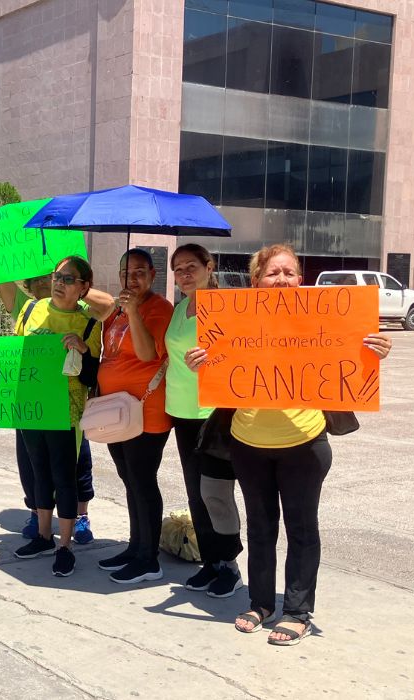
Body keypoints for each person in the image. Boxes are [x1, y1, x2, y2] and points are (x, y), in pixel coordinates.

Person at [186, 244, 393, 646]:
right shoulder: (232, 323)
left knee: (301, 529)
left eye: (289, 272)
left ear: (301, 279)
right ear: (256, 279)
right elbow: (218, 375)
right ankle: (260, 602)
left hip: (304, 444)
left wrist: (378, 351)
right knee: (261, 528)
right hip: (247, 444)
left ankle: (298, 610)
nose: (281, 279)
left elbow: (352, 360)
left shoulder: (327, 322)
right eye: (272, 272)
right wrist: (200, 363)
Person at [0, 257, 102, 576]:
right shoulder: (30, 310)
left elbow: (94, 377)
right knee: (38, 472)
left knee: (64, 477)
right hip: (29, 406)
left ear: (84, 288)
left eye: (69, 279)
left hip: (65, 412)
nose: (59, 282)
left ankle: (65, 546)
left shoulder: (89, 324)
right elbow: (8, 355)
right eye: (57, 276)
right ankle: (44, 536)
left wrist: (83, 350)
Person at [164, 244, 243, 598]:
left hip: (214, 412)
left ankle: (230, 565)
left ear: (209, 267)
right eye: (178, 269)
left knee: (217, 494)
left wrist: (215, 360)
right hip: (182, 410)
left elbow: (242, 352)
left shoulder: (226, 307)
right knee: (196, 492)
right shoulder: (180, 308)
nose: (184, 274)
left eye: (191, 266)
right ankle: (210, 562)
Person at [96, 248, 174, 585]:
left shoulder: (159, 309)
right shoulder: (116, 310)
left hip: (146, 410)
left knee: (143, 480)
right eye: (127, 271)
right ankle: (134, 546)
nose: (133, 277)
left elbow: (146, 353)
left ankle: (149, 558)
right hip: (115, 411)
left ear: (153, 276)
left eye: (141, 271)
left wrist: (134, 313)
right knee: (129, 479)